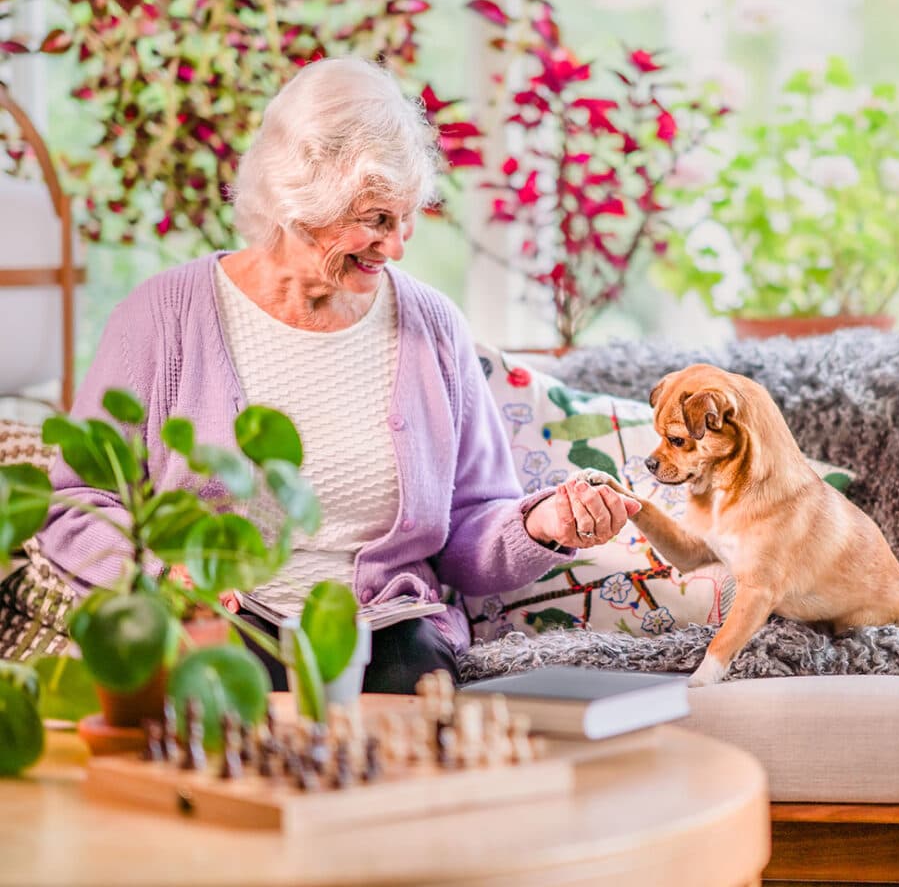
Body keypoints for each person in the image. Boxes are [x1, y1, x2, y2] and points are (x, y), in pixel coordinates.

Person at [33, 56, 640, 692]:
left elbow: (470, 525)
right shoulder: (163, 318)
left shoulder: (433, 327)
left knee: (410, 709)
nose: (397, 246)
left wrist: (541, 525)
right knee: (229, 699)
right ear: (298, 202)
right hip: (214, 622)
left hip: (388, 631)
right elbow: (75, 505)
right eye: (376, 219)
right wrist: (161, 577)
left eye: (406, 217)